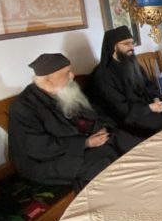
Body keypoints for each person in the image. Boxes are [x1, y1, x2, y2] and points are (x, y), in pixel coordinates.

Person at [8, 53, 141, 191]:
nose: (72, 76)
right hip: (50, 160)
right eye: (66, 74)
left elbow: (92, 112)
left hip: (81, 140)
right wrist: (85, 143)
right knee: (106, 162)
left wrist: (101, 127)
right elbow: (38, 147)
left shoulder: (64, 89)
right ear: (48, 79)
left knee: (127, 140)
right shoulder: (23, 107)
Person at [88, 26, 162, 137]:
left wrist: (156, 99)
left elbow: (149, 86)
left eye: (132, 43)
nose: (131, 47)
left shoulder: (132, 64)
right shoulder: (103, 74)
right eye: (126, 44)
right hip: (128, 118)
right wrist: (149, 108)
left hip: (147, 107)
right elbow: (120, 109)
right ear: (113, 46)